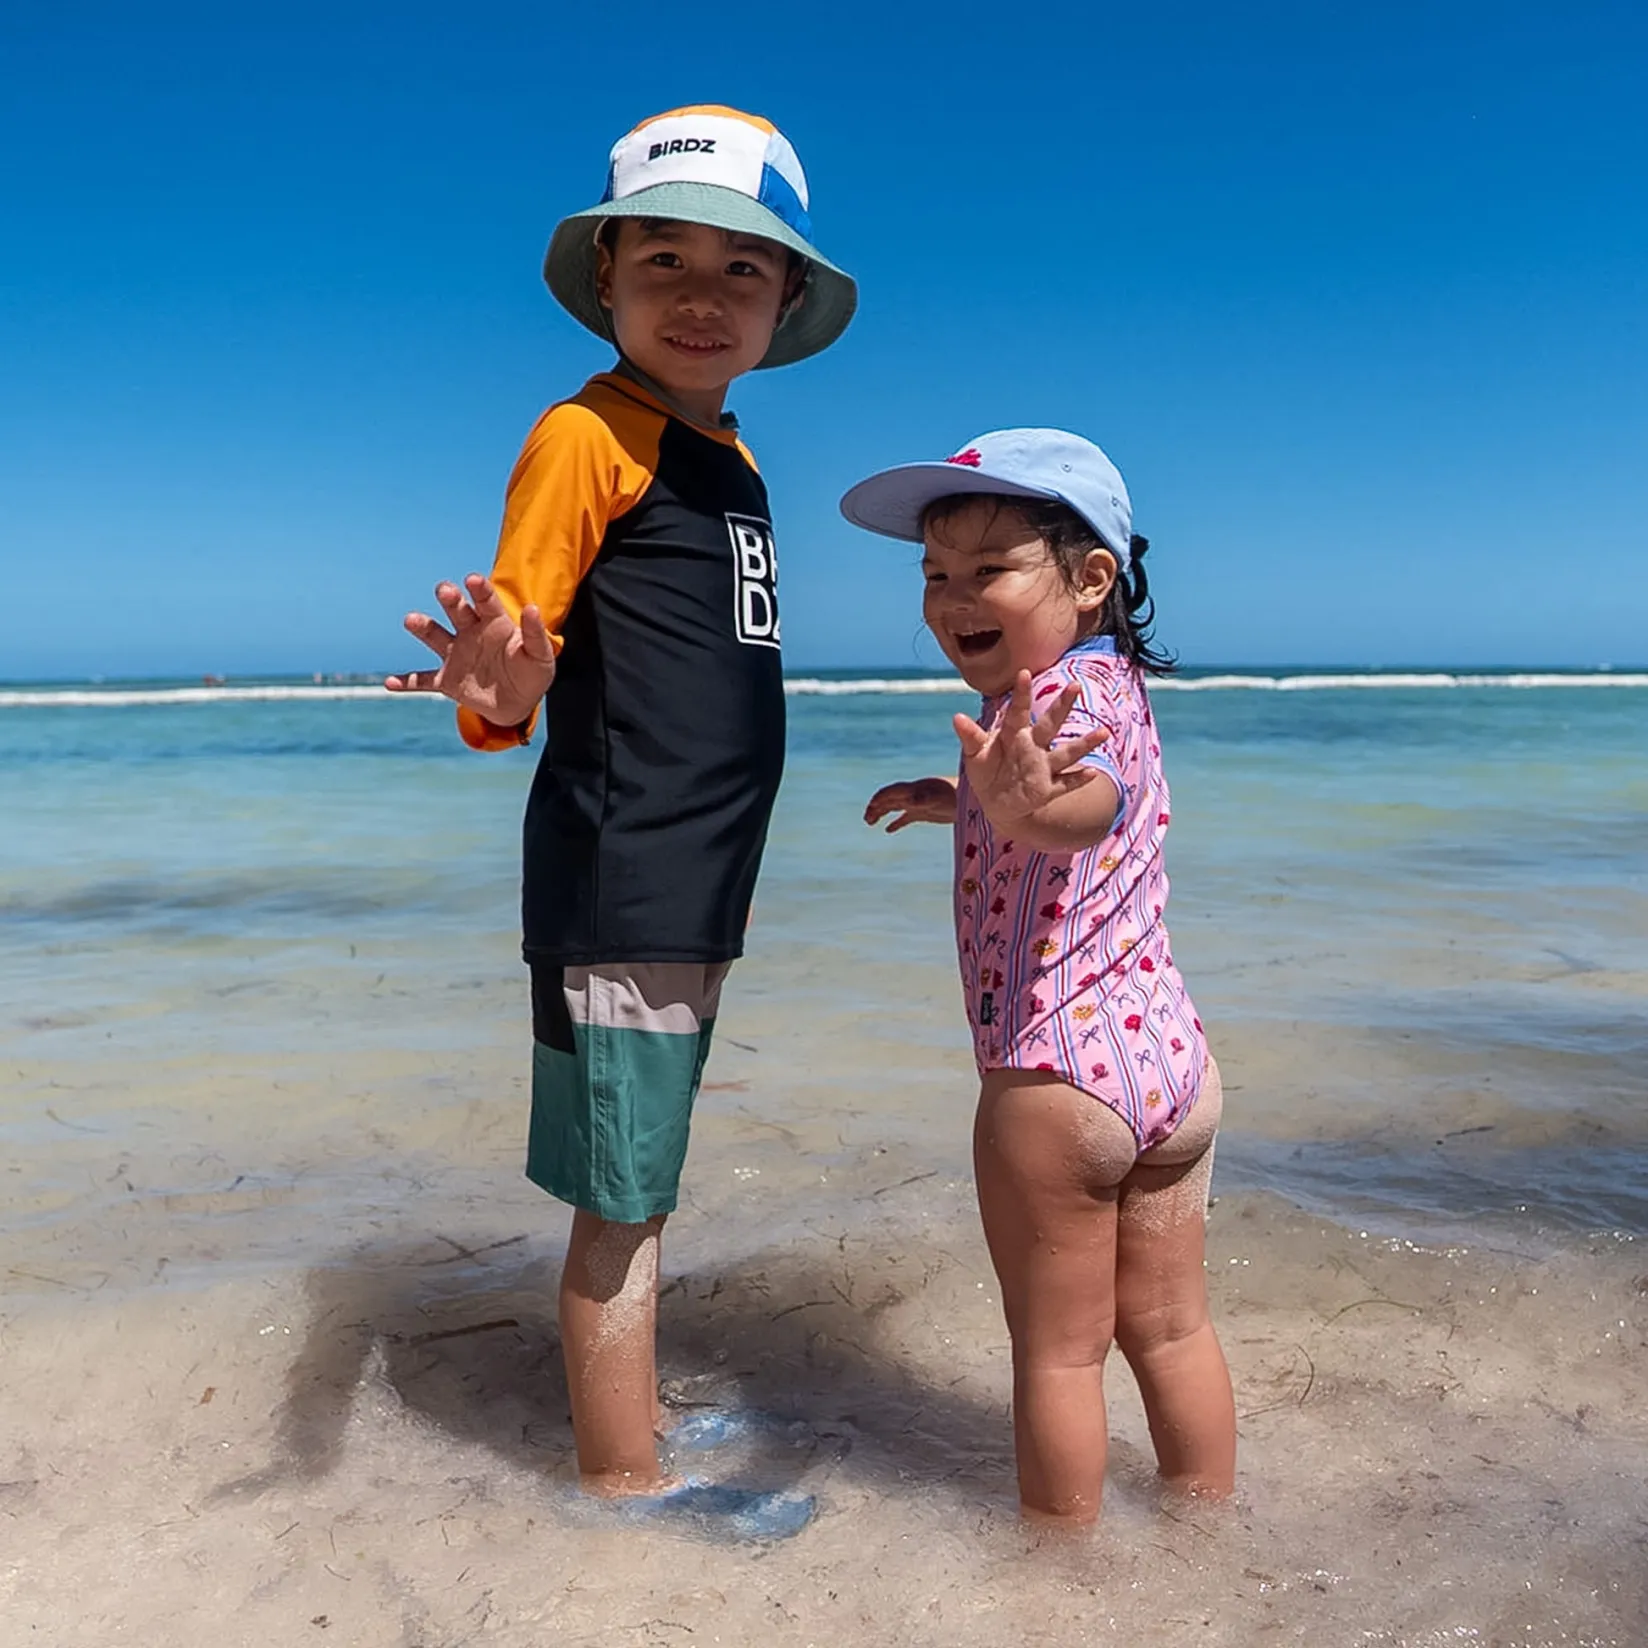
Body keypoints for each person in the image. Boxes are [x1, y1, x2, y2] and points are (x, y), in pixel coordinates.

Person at [383, 106, 855, 1526]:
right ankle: (624, 1487)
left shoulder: (731, 458)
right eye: (665, 261)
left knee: (643, 1173)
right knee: (625, 1201)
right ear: (607, 280)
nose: (702, 295)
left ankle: (626, 1418)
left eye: (741, 268)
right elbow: (509, 666)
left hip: (691, 891)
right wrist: (499, 683)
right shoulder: (589, 435)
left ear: (785, 298)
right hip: (623, 880)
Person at [847, 429, 1236, 1526]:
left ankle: (1059, 1581)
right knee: (1171, 1327)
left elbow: (1085, 804)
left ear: (1092, 576)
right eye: (934, 573)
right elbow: (1085, 793)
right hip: (1170, 1061)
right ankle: (1208, 1527)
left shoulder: (1055, 705)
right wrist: (968, 801)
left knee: (1059, 1353)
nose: (951, 598)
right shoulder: (1110, 684)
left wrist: (1026, 807)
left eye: (989, 568)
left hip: (1057, 1074)